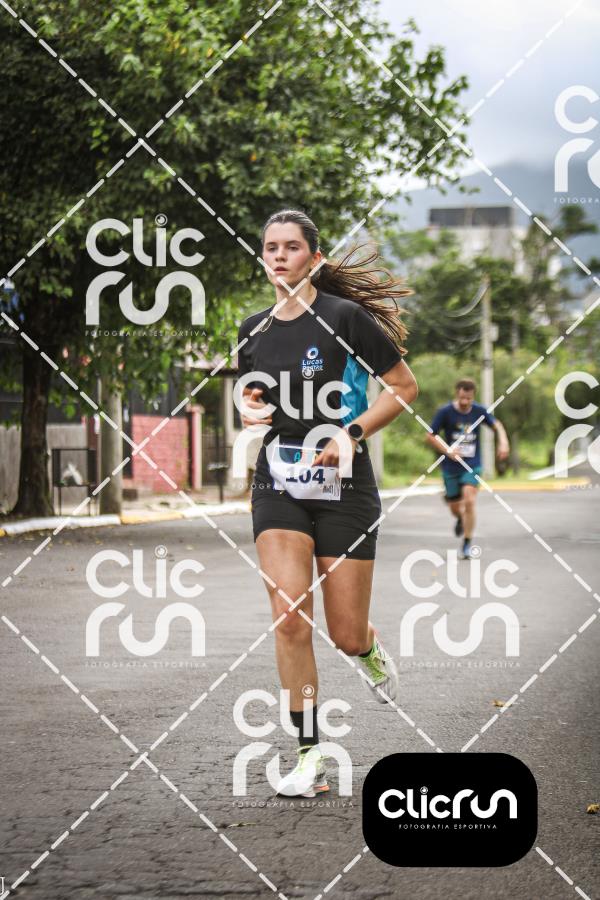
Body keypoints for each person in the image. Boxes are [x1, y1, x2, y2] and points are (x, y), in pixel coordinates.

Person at [235, 209, 418, 798]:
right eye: (271, 247)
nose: (279, 256)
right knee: (290, 616)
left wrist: (351, 433)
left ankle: (367, 648)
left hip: (346, 485)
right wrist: (250, 410)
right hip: (279, 481)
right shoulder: (252, 329)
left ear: (314, 258)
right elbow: (254, 397)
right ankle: (310, 753)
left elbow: (403, 388)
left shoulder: (345, 318)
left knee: (344, 633)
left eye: (291, 247)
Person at [426, 378, 510, 559]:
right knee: (455, 507)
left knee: (470, 500)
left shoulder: (479, 411)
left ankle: (466, 543)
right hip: (450, 466)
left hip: (472, 465)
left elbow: (497, 425)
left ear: (473, 396)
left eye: (469, 399)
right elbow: (430, 436)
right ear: (457, 394)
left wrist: (503, 442)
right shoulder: (445, 412)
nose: (465, 402)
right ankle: (459, 517)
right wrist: (447, 450)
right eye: (462, 398)